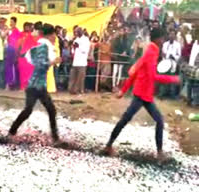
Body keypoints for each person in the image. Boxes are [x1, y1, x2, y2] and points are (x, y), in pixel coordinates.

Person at [103, 28, 180, 160]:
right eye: (162, 39)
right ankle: (109, 145)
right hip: (142, 94)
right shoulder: (151, 52)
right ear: (157, 39)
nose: (163, 41)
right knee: (154, 121)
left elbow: (136, 70)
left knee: (130, 119)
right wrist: (172, 79)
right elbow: (152, 76)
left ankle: (109, 145)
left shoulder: (150, 51)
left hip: (144, 93)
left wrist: (124, 90)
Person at [8, 24, 62, 143]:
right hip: (38, 86)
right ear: (50, 35)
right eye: (54, 35)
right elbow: (41, 65)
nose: (55, 37)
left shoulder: (41, 46)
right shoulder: (44, 47)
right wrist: (53, 62)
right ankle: (55, 137)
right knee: (50, 110)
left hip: (34, 85)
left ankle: (11, 132)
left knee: (29, 110)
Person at [68, 27, 90, 94]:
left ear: (81, 32)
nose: (76, 33)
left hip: (82, 62)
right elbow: (73, 50)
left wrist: (79, 47)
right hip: (75, 61)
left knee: (80, 78)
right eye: (75, 32)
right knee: (72, 77)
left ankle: (79, 91)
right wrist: (72, 48)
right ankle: (71, 90)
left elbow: (85, 51)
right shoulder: (76, 39)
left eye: (77, 32)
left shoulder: (86, 39)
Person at [17, 22, 35, 90]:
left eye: (28, 26)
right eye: (26, 26)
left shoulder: (32, 35)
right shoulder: (21, 34)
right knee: (22, 73)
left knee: (30, 72)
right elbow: (17, 44)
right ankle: (23, 86)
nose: (27, 28)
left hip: (30, 57)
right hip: (22, 56)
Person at [5, 17, 21, 90]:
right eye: (10, 21)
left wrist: (17, 53)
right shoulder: (8, 31)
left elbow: (18, 43)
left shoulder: (17, 32)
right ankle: (8, 83)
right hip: (8, 51)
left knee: (13, 68)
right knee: (8, 68)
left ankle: (13, 84)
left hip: (14, 52)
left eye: (12, 21)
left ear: (15, 22)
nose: (10, 23)